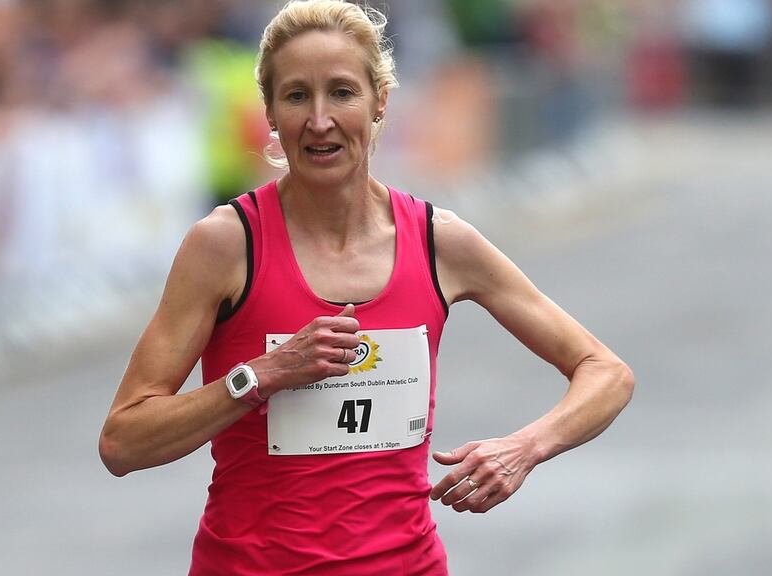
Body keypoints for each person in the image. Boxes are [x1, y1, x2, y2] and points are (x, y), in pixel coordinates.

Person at [98, 1, 634, 574]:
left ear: (381, 101)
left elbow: (606, 373)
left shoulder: (439, 242)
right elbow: (124, 442)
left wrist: (524, 449)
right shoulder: (226, 245)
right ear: (272, 114)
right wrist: (263, 375)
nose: (320, 119)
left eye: (343, 93)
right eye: (297, 96)